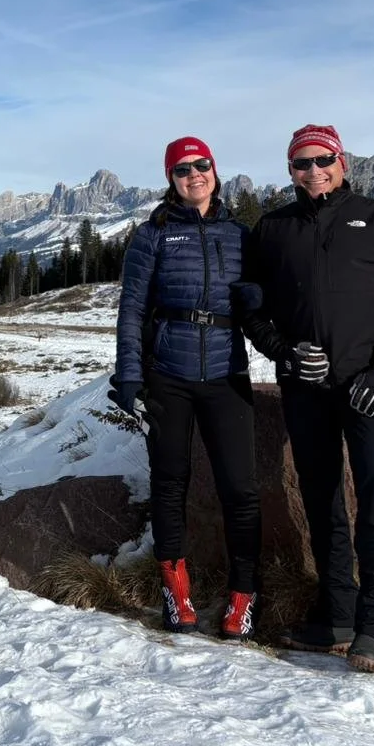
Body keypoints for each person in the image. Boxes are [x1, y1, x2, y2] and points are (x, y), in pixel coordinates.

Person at [242, 124, 374, 673]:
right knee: (320, 499)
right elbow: (251, 309)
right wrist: (283, 353)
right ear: (290, 170)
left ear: (342, 161)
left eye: (322, 159)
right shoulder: (273, 229)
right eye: (301, 163)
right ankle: (337, 615)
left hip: (370, 386)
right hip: (306, 389)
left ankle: (373, 628)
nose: (313, 171)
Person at [110, 136, 263, 640]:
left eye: (202, 165)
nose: (194, 175)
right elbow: (132, 309)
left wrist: (259, 301)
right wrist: (129, 376)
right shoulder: (152, 235)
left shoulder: (240, 234)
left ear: (215, 170)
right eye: (182, 169)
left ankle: (243, 597)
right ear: (170, 178)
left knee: (240, 489)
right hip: (168, 376)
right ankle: (176, 592)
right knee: (169, 483)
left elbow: (268, 299)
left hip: (226, 374)